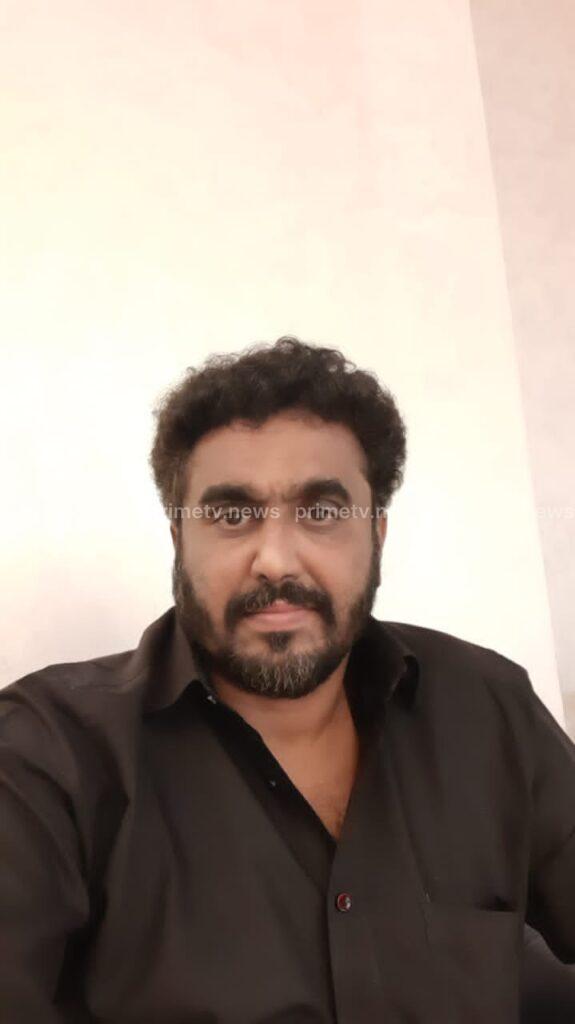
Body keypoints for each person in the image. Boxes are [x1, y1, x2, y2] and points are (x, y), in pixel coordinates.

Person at [1, 336, 574, 1023]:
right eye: (231, 514)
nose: (275, 559)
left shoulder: (487, 707)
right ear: (179, 539)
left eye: (322, 513)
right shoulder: (47, 754)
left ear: (377, 535)